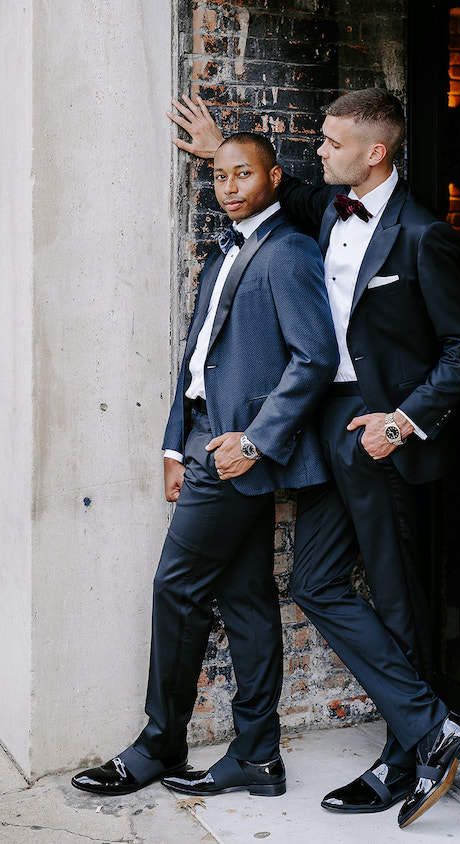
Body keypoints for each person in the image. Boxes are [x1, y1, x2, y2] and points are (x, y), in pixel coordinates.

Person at [166, 89, 460, 828]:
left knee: (397, 597)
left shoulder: (421, 236)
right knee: (314, 582)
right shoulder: (322, 207)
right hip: (321, 431)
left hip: (378, 433)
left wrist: (403, 423)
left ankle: (405, 757)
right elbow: (278, 181)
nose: (318, 150)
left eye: (332, 142)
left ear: (375, 152)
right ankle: (433, 729)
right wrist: (219, 144)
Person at [71, 133, 339, 799]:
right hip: (203, 446)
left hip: (234, 455)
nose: (229, 187)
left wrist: (252, 441)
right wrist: (173, 446)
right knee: (245, 600)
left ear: (274, 178)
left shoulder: (289, 251)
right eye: (219, 176)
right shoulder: (230, 249)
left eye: (242, 174)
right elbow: (198, 361)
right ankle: (258, 757)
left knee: (176, 588)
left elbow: (315, 358)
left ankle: (159, 744)